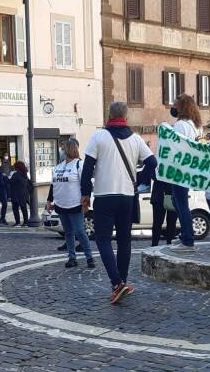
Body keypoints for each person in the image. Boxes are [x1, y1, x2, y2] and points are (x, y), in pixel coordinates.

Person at [80, 101, 157, 304]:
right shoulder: (136, 139)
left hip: (105, 196)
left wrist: (85, 194)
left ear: (109, 114)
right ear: (126, 117)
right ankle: (121, 282)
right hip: (127, 196)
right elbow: (152, 163)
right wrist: (140, 180)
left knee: (103, 239)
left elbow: (87, 168)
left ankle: (117, 283)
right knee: (124, 240)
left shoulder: (98, 136)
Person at [47, 138, 95, 269]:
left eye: (63, 149)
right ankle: (71, 257)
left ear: (68, 149)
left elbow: (86, 184)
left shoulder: (79, 165)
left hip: (75, 204)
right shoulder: (58, 167)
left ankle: (89, 257)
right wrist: (49, 201)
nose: (61, 151)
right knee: (68, 232)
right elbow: (53, 185)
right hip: (61, 204)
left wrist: (85, 202)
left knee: (80, 231)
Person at [166, 94, 201, 251]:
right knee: (177, 201)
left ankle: (187, 238)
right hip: (188, 168)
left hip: (179, 169)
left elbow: (176, 147)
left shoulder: (180, 125)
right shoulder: (195, 125)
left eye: (175, 104)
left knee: (181, 203)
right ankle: (186, 236)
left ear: (182, 107)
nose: (173, 107)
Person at [150, 175, 177, 246]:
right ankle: (156, 244)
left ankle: (168, 243)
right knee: (158, 223)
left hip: (168, 194)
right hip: (162, 195)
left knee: (169, 222)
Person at [8, 161, 32, 226]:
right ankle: (25, 222)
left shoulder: (16, 174)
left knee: (15, 209)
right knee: (24, 209)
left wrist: (5, 177)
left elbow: (10, 182)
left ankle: (18, 222)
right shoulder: (25, 174)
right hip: (24, 194)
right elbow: (29, 184)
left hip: (16, 194)